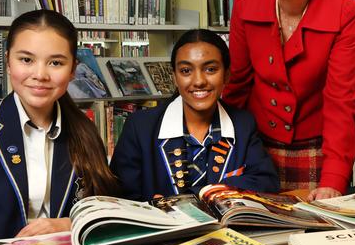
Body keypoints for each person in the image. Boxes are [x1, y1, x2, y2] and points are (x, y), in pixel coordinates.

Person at [221, 0, 355, 201]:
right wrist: (230, 152)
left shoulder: (344, 11)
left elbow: (341, 101)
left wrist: (333, 180)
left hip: (316, 150)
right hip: (254, 146)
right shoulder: (246, 1)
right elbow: (237, 87)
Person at [0, 10, 118, 244]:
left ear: (73, 69)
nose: (40, 74)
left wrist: (71, 223)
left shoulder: (86, 131)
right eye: (26, 60)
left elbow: (109, 208)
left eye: (55, 62)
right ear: (8, 61)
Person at [110, 29, 279, 200]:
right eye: (186, 71)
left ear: (226, 75)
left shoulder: (243, 124)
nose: (198, 81)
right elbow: (119, 196)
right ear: (174, 78)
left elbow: (266, 182)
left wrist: (198, 196)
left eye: (210, 69)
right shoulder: (140, 127)